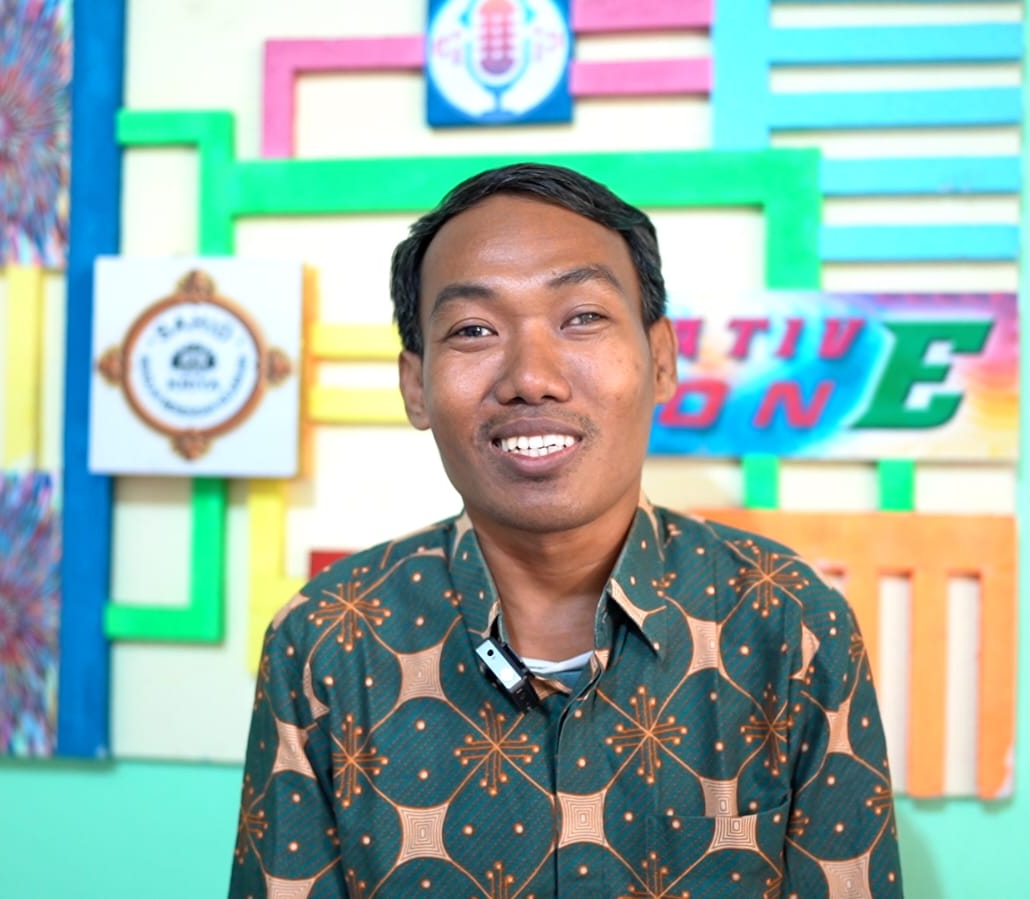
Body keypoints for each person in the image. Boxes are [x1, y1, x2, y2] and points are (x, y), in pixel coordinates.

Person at [231, 163, 902, 897]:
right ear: (415, 386)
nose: (532, 377)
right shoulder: (327, 639)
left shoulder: (789, 622)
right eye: (473, 329)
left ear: (662, 361)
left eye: (581, 317)